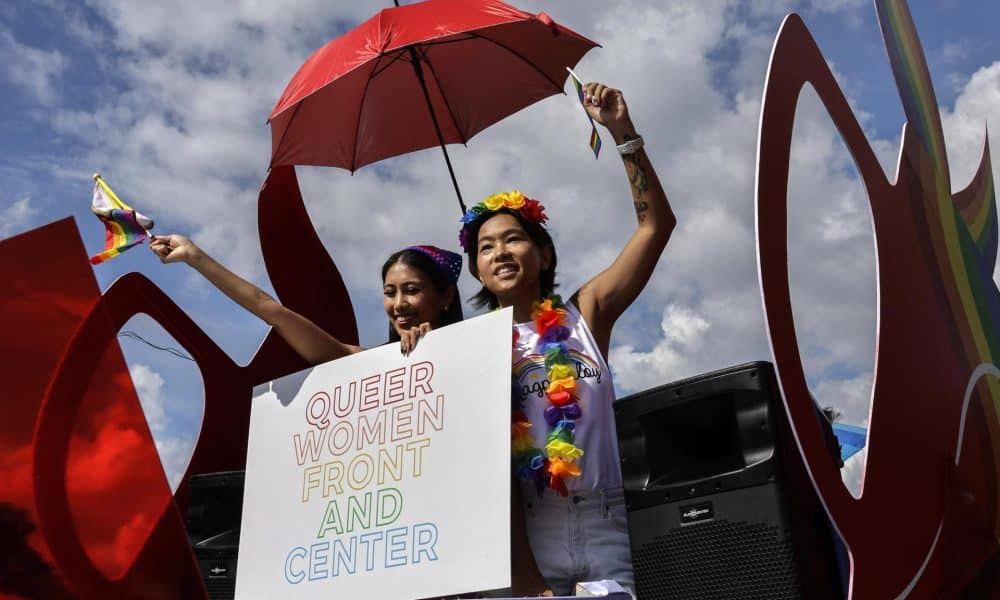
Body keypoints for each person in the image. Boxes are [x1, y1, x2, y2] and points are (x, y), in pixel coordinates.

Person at [458, 82, 675, 596]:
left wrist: (622, 133)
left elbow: (656, 227)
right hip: (527, 535)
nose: (500, 251)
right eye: (486, 247)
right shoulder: (469, 349)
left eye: (513, 238)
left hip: (609, 526)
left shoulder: (587, 313)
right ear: (479, 271)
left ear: (544, 255)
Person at [149, 235, 463, 359]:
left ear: (446, 296)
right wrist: (194, 256)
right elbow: (270, 310)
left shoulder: (487, 351)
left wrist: (441, 350)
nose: (399, 304)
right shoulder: (368, 365)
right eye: (389, 293)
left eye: (412, 290)